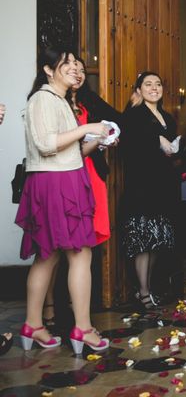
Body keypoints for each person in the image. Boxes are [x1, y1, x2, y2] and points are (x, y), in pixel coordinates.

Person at [15, 48, 109, 353]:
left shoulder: (59, 100)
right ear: (48, 69)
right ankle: (82, 329)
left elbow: (69, 151)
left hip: (61, 177)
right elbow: (45, 145)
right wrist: (87, 128)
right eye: (66, 63)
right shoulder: (43, 98)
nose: (74, 68)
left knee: (48, 256)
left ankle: (34, 325)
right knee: (80, 254)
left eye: (76, 64)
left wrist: (94, 139)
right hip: (56, 182)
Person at [42, 57, 122, 329]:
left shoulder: (87, 102)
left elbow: (116, 121)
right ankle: (50, 306)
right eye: (71, 68)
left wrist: (103, 139)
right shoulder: (51, 102)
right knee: (51, 247)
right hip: (63, 174)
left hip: (88, 174)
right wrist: (93, 136)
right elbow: (56, 146)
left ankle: (82, 314)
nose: (77, 73)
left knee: (83, 246)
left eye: (81, 69)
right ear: (52, 71)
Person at [121, 71, 180, 310]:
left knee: (158, 239)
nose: (154, 88)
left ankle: (146, 286)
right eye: (148, 84)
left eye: (158, 83)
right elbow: (129, 141)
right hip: (141, 184)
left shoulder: (168, 117)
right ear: (139, 89)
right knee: (143, 241)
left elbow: (173, 145)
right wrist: (156, 139)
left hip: (163, 183)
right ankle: (143, 291)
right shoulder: (135, 114)